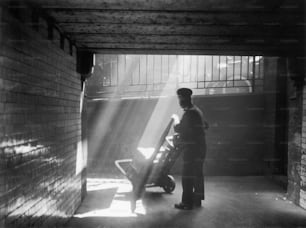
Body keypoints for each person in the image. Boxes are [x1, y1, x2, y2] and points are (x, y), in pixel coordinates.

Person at [173, 88, 208, 210]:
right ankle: (197, 200)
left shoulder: (190, 113)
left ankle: (187, 203)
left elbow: (180, 128)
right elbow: (205, 125)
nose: (179, 101)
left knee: (187, 176)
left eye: (180, 98)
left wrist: (176, 124)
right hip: (200, 148)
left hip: (192, 149)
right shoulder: (196, 110)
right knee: (197, 174)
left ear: (184, 99)